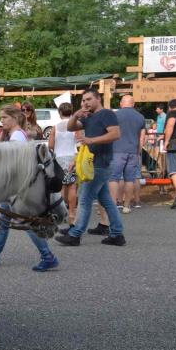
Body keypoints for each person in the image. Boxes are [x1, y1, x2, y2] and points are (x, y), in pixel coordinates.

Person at [0, 105, 59, 272]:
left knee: (25, 223)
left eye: (4, 117)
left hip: (15, 189)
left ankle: (48, 256)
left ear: (14, 118)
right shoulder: (15, 135)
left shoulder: (17, 137)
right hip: (12, 189)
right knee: (4, 222)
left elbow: (11, 164)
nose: (2, 121)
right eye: (1, 117)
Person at [55, 88, 126, 247]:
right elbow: (70, 128)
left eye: (88, 99)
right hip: (94, 163)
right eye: (83, 100)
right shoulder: (89, 116)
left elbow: (115, 134)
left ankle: (75, 235)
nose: (85, 103)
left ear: (98, 98)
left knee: (84, 199)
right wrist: (75, 115)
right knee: (106, 200)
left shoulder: (107, 114)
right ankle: (117, 234)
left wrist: (91, 140)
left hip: (100, 163)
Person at [109, 95, 145, 214]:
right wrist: (138, 152)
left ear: (121, 104)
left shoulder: (115, 115)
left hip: (117, 150)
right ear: (133, 104)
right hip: (133, 151)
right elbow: (142, 138)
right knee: (130, 179)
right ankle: (126, 206)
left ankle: (113, 205)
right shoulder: (140, 117)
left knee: (114, 178)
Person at [49, 102, 78, 230]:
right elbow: (80, 143)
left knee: (61, 187)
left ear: (60, 112)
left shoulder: (55, 127)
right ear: (71, 112)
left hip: (59, 158)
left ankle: (62, 211)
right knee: (72, 187)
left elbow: (50, 145)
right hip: (72, 157)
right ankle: (72, 213)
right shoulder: (76, 126)